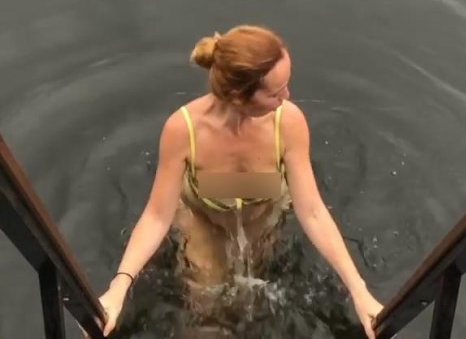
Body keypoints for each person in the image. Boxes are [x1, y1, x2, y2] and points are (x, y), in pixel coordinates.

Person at [97, 24, 383, 338]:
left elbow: (313, 211)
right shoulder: (183, 130)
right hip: (204, 219)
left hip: (264, 214)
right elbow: (156, 216)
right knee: (206, 311)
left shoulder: (287, 122)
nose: (287, 97)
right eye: (275, 93)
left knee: (254, 300)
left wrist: (358, 290)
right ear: (238, 96)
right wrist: (119, 287)